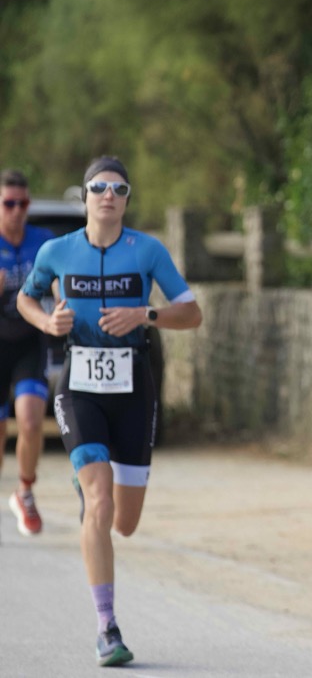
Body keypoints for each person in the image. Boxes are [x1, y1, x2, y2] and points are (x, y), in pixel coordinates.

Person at [18, 155, 202, 667]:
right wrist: (47, 323)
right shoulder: (57, 251)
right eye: (99, 187)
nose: (108, 196)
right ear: (85, 196)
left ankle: (93, 489)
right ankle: (107, 627)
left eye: (119, 189)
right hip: (78, 386)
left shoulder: (147, 250)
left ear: (127, 200)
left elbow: (192, 313)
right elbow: (27, 300)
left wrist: (146, 314)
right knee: (99, 503)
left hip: (133, 388)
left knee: (125, 521)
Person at [0, 169, 56, 539]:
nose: (17, 210)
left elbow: (60, 278)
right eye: (9, 203)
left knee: (32, 421)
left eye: (23, 203)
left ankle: (25, 491)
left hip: (29, 343)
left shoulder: (44, 241)